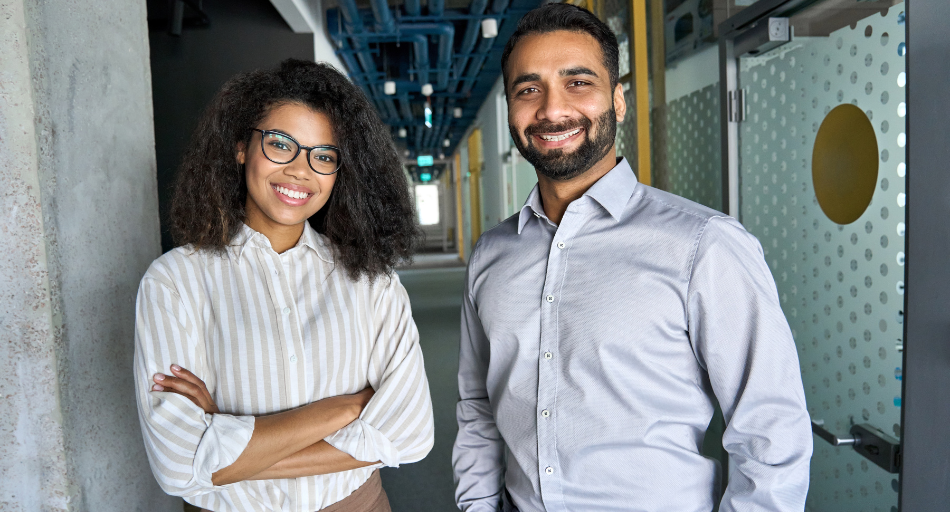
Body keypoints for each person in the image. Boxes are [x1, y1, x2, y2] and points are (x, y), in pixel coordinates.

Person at [452, 4, 812, 511]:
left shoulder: (705, 245)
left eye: (578, 82)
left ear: (618, 101)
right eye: (528, 89)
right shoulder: (492, 256)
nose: (552, 110)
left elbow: (771, 432)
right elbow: (479, 411)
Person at [133, 59, 434, 512]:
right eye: (280, 144)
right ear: (240, 147)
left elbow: (410, 436)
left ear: (340, 171)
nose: (300, 170)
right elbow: (177, 464)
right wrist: (348, 408)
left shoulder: (370, 280)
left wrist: (224, 439)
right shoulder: (175, 282)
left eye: (324, 155)